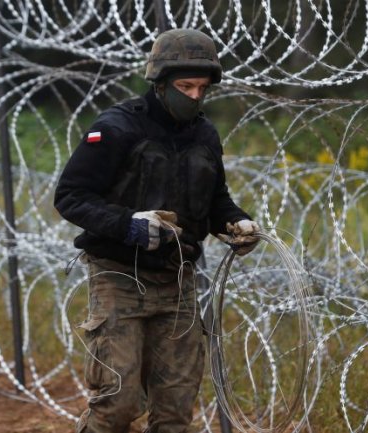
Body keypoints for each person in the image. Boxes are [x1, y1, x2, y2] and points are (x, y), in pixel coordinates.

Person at [54, 28, 260, 433]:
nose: (195, 96)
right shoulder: (117, 129)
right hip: (119, 277)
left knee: (174, 413)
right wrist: (127, 224)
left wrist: (235, 221)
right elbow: (71, 195)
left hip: (178, 281)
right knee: (117, 405)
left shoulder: (205, 135)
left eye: (202, 88)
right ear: (160, 83)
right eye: (185, 86)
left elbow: (215, 198)